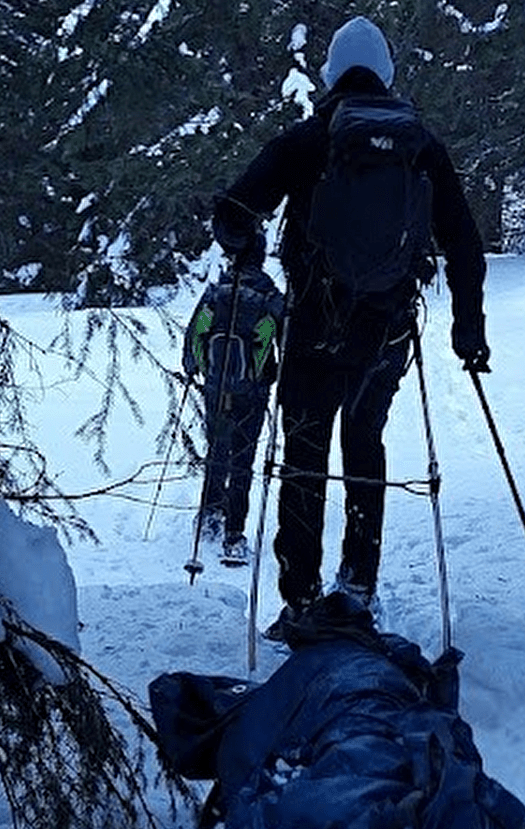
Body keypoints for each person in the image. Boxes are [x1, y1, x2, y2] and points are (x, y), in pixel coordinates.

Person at [210, 16, 490, 624]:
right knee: (365, 443)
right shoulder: (421, 146)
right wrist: (469, 329)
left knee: (305, 450)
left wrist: (244, 245)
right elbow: (464, 242)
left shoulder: (309, 140)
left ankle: (301, 598)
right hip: (385, 331)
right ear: (386, 74)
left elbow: (233, 209)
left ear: (331, 73)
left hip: (313, 325)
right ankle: (358, 585)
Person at [182, 236, 284, 564]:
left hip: (215, 386)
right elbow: (286, 341)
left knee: (217, 450)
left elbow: (192, 339)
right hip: (252, 391)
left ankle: (209, 515)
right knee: (243, 458)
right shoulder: (270, 297)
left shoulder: (215, 292)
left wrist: (194, 369)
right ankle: (234, 533)